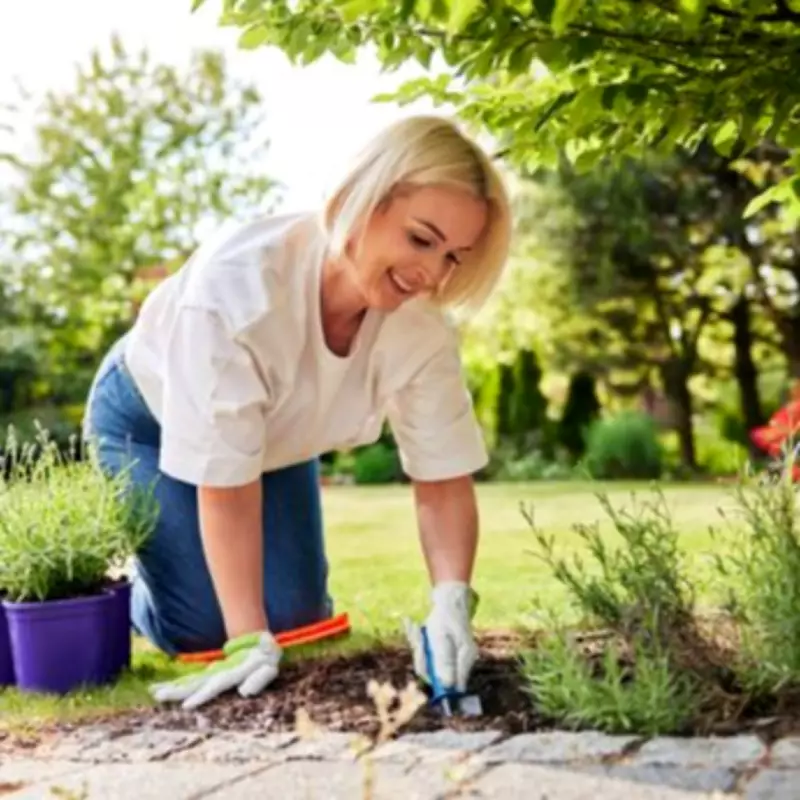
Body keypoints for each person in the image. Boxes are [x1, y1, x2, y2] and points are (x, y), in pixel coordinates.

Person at [82, 114, 513, 710]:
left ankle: (197, 577)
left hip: (274, 443)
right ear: (364, 201)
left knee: (295, 617)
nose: (432, 274)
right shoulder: (234, 293)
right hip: (146, 420)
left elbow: (442, 478)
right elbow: (225, 485)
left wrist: (451, 601)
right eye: (421, 238)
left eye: (454, 257)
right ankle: (130, 585)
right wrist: (244, 643)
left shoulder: (422, 328)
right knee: (207, 628)